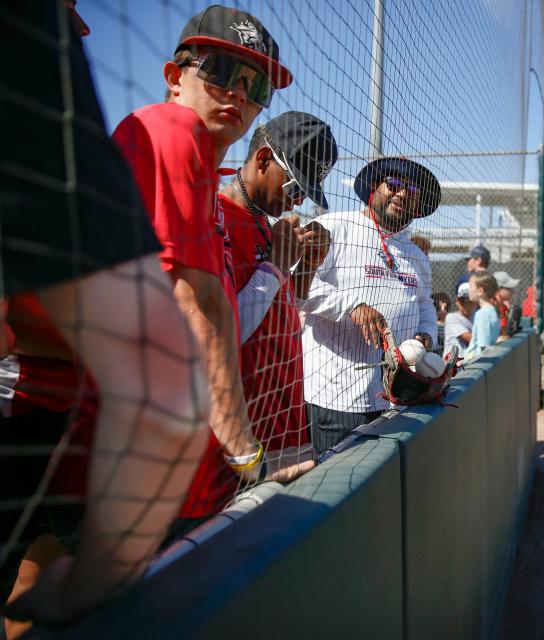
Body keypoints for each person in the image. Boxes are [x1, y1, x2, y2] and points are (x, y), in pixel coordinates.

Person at [1, 1, 208, 624]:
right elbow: (164, 389)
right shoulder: (31, 39)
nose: (239, 97)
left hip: (60, 423)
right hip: (44, 412)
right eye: (222, 73)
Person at [111, 5, 314, 536]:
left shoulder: (211, 187)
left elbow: (255, 326)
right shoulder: (170, 141)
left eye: (257, 86)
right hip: (145, 466)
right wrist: (248, 451)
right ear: (175, 78)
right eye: (223, 73)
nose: (240, 93)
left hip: (203, 462)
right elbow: (204, 319)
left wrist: (295, 271)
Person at [220, 113, 337, 474]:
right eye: (294, 188)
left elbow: (281, 320)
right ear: (263, 159)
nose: (298, 201)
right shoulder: (217, 216)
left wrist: (306, 266)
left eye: (305, 192)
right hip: (239, 446)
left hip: (284, 427)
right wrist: (274, 266)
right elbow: (223, 333)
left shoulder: (265, 224)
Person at [301, 157, 441, 454]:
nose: (403, 194)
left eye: (413, 193)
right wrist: (352, 305)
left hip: (397, 396)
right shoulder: (334, 227)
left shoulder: (415, 254)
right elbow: (298, 285)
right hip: (338, 396)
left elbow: (425, 305)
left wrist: (428, 334)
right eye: (395, 185)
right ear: (374, 188)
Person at [463, 270, 501, 359]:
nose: (469, 289)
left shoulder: (482, 314)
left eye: (471, 286)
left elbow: (483, 349)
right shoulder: (492, 311)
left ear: (480, 291)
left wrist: (463, 360)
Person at [443, 283, 476, 360]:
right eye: (463, 301)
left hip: (469, 362)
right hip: (452, 367)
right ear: (457, 301)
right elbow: (469, 338)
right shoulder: (451, 317)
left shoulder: (477, 316)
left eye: (469, 301)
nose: (466, 304)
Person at [493, 270, 522, 339]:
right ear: (498, 289)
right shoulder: (491, 308)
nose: (513, 291)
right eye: (509, 288)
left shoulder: (504, 307)